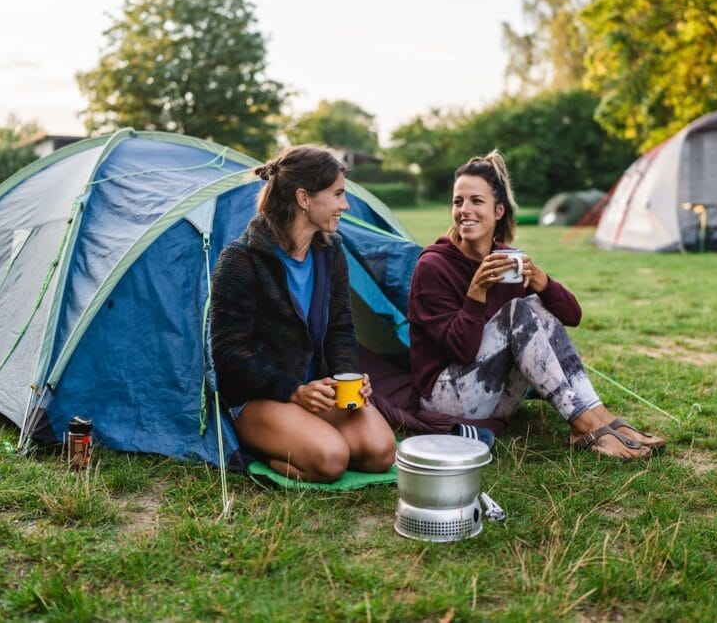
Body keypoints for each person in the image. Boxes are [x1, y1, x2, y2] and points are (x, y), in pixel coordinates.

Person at [406, 151, 665, 460]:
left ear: (498, 210)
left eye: (476, 201)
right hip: (446, 398)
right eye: (457, 201)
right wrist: (476, 291)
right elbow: (460, 351)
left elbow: (572, 316)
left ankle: (600, 416)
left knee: (533, 305)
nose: (464, 210)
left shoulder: (508, 260)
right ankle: (584, 424)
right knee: (518, 310)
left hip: (498, 395)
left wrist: (543, 283)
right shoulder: (434, 266)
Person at [210, 145, 396, 481]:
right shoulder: (240, 260)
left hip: (313, 392)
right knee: (331, 459)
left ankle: (306, 438)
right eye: (337, 194)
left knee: (381, 451)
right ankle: (267, 451)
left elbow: (341, 328)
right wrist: (293, 390)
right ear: (303, 198)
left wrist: (347, 379)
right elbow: (228, 353)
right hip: (259, 398)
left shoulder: (331, 252)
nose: (345, 205)